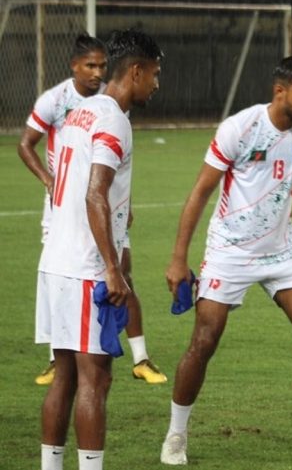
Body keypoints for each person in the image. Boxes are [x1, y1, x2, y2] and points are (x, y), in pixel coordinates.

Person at [160, 56, 292, 465]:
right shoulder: (240, 128)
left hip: (283, 250)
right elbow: (199, 193)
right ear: (279, 91)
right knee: (204, 339)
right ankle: (176, 435)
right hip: (230, 250)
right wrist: (179, 258)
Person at [36, 28, 162, 470]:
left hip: (55, 259)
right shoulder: (113, 120)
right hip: (85, 265)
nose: (156, 85)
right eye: (154, 74)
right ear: (135, 70)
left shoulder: (82, 111)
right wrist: (112, 267)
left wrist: (119, 216)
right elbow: (95, 194)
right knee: (96, 378)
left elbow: (86, 191)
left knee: (66, 378)